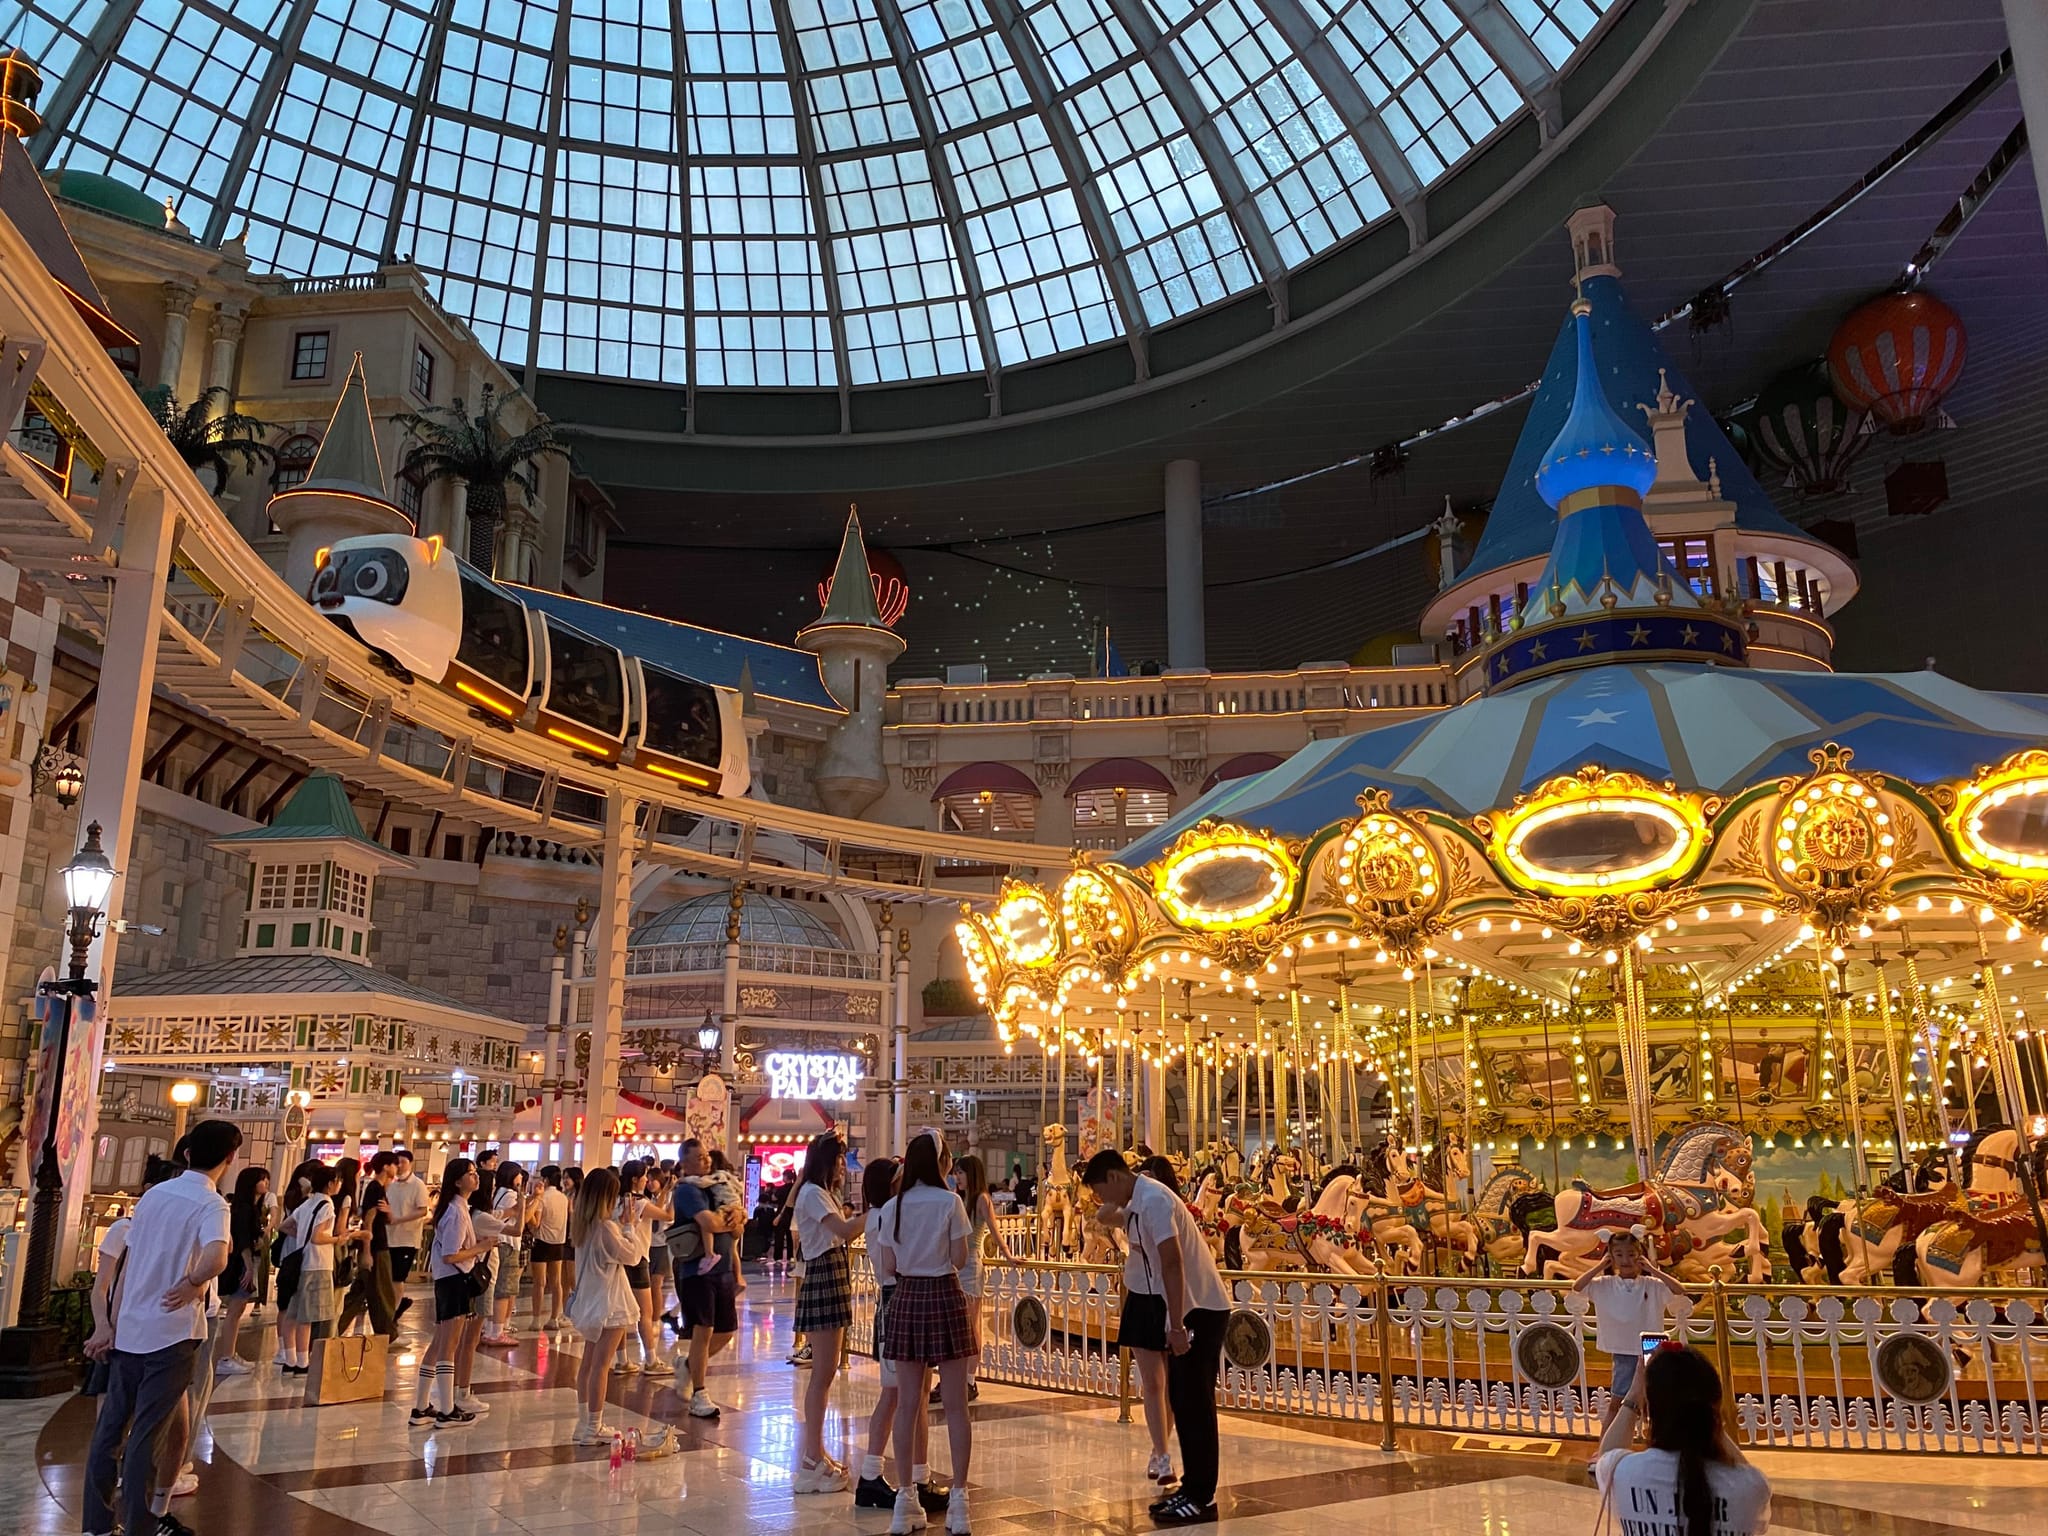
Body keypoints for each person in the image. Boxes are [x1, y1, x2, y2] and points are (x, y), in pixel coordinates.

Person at [81, 1118, 239, 1536]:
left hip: (131, 1326)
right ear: (230, 1158)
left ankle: (96, 1526)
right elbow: (217, 1258)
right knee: (147, 1435)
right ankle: (139, 1527)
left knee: (110, 1430)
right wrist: (192, 1283)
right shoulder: (212, 1204)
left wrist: (111, 1322)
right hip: (171, 1332)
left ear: (187, 1154)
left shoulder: (153, 1197)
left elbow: (128, 1265)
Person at [1083, 1148, 1232, 1526]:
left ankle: (1202, 1496)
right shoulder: (1139, 1201)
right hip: (1184, 1307)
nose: (1103, 1200)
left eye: (1102, 1190)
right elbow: (1110, 1218)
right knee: (1182, 1401)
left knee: (1194, 1403)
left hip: (1200, 1308)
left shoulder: (1153, 1201)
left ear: (1115, 1177)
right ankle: (1192, 1488)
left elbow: (1172, 1261)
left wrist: (1179, 1324)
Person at [874, 1130, 975, 1536]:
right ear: (940, 1162)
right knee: (954, 1406)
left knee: (908, 1404)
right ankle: (960, 1503)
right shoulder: (950, 1202)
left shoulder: (893, 1206)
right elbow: (959, 1257)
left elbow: (888, 1264)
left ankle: (904, 1500)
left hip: (907, 1298)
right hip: (945, 1296)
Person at [1594, 1344, 1770, 1536]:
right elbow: (1745, 1473)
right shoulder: (1750, 1486)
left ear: (1649, 1411)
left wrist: (1634, 1394)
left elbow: (1607, 1456)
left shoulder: (1625, 1472)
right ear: (1714, 1407)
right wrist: (1710, 1419)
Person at [791, 1131, 864, 1493]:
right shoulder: (813, 1194)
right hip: (823, 1274)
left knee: (827, 1371)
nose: (842, 1167)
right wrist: (879, 1208)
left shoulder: (822, 1193)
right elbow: (845, 1230)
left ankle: (816, 1452)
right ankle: (810, 1457)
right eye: (838, 1160)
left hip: (830, 1273)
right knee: (822, 1373)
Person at [568, 1166, 651, 1447]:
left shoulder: (582, 1224)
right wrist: (630, 1226)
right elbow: (632, 1256)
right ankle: (594, 1425)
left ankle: (584, 1423)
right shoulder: (606, 1227)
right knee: (601, 1366)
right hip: (610, 1303)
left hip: (590, 1301)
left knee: (589, 1363)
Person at [1573, 1228, 1693, 1423]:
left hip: (1650, 1346)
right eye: (1619, 1255)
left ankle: (1656, 1445)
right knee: (1618, 1401)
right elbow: (1577, 1286)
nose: (1625, 1260)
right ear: (1611, 1257)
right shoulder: (1604, 1283)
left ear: (1640, 1256)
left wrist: (1653, 1270)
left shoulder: (1651, 1284)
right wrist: (1600, 1265)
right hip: (1623, 1348)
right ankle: (1607, 1447)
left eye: (1631, 1254)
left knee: (1653, 1402)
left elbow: (1680, 1290)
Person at [410, 1159, 493, 1429]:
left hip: (447, 1281)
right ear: (457, 1181)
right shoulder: (456, 1212)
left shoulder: (457, 1209)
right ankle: (447, 1409)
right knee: (449, 1345)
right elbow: (450, 1254)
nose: (476, 1177)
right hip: (455, 1279)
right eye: (470, 1174)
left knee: (439, 1343)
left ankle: (421, 1406)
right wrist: (480, 1248)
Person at [668, 1138, 741, 1419]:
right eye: (699, 1158)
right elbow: (710, 1223)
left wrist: (735, 1220)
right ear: (685, 1163)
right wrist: (731, 1220)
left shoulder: (716, 1185)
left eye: (706, 1156)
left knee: (726, 1330)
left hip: (721, 1269)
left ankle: (688, 1365)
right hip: (696, 1271)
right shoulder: (687, 1190)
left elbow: (737, 1230)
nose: (706, 1161)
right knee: (703, 1330)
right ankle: (699, 1392)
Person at [1121, 1156, 1181, 1488]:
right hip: (1141, 1294)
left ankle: (1161, 1446)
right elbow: (1105, 1217)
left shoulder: (1167, 1209)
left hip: (1168, 1295)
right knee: (1152, 1382)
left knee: (1170, 1383)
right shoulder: (1132, 1210)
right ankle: (1161, 1453)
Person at [934, 1153, 1013, 1406]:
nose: (957, 1177)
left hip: (970, 1267)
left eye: (961, 1172)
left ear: (972, 1174)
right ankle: (954, 1379)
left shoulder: (981, 1199)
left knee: (971, 1325)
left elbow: (994, 1229)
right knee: (955, 1325)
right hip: (953, 1265)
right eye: (955, 1172)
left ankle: (968, 1379)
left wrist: (1008, 1255)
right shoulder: (957, 1198)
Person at [276, 1163, 342, 1375]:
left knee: (292, 1315)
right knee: (307, 1317)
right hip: (317, 1264)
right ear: (331, 1183)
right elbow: (318, 1236)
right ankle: (303, 1363)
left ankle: (290, 1360)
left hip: (300, 1263)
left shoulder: (307, 1203)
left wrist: (300, 1238)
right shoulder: (327, 1205)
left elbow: (284, 1226)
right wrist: (338, 1238)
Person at [213, 1168, 269, 1376]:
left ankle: (230, 1353)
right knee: (235, 1311)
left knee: (237, 1311)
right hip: (242, 1263)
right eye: (262, 1179)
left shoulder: (252, 1208)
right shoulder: (244, 1209)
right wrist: (248, 1267)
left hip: (245, 1261)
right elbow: (243, 1241)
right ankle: (226, 1356)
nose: (265, 1183)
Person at [337, 1152, 400, 1336]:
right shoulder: (375, 1188)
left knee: (362, 1290)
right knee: (381, 1291)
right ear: (386, 1167)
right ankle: (387, 1333)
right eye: (394, 1165)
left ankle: (336, 1326)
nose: (396, 1169)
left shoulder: (380, 1188)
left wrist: (388, 1212)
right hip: (376, 1246)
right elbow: (369, 1219)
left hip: (377, 1244)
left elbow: (386, 1219)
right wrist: (367, 1251)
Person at [482, 1161, 530, 1346]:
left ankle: (488, 1327)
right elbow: (521, 1222)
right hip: (508, 1244)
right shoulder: (510, 1195)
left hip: (498, 1242)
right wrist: (527, 1204)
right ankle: (497, 1332)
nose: (520, 1178)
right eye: (518, 1174)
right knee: (504, 1289)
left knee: (494, 1287)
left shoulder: (498, 1192)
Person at [528, 1165, 572, 1330]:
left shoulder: (543, 1198)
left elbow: (536, 1222)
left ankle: (536, 1320)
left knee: (539, 1283)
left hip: (542, 1242)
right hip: (559, 1243)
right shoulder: (564, 1198)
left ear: (545, 1179)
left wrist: (528, 1217)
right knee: (556, 1283)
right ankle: (554, 1317)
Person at [384, 1148, 427, 1303]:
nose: (400, 1165)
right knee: (387, 1276)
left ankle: (395, 1308)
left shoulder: (417, 1185)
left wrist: (399, 1219)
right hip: (389, 1237)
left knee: (398, 1277)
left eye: (403, 1162)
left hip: (407, 1239)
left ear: (410, 1163)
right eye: (397, 1162)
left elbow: (423, 1210)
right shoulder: (391, 1185)